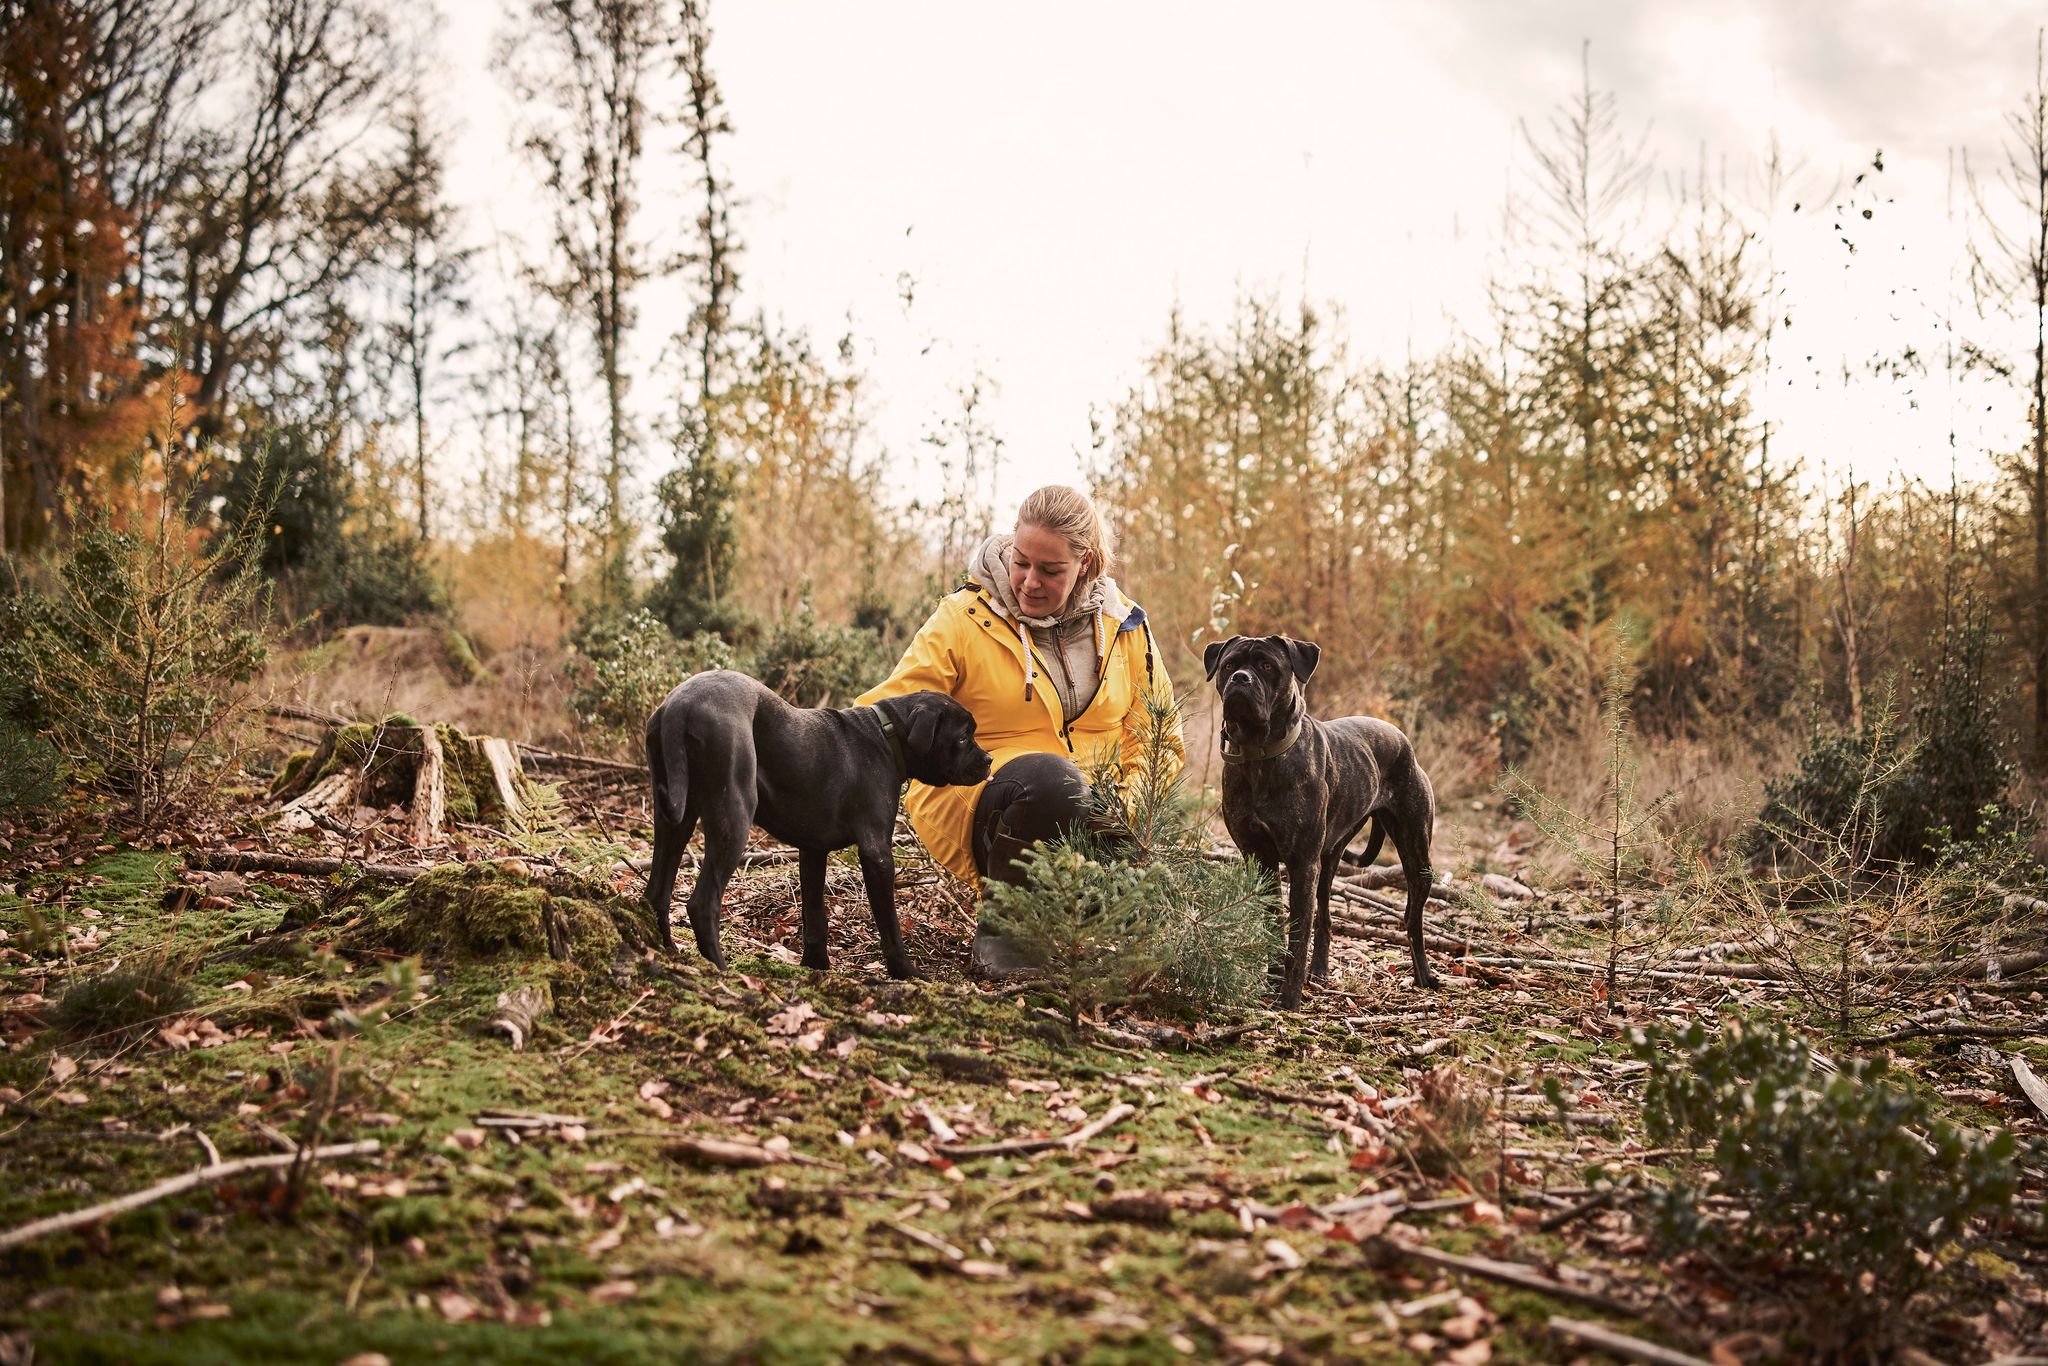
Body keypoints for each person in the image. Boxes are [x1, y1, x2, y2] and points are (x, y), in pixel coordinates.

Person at [856, 484, 1183, 977]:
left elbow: (1160, 739)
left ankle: (1073, 915)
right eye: (1020, 561)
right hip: (986, 795)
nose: (1030, 581)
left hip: (1096, 812)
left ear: (1086, 564)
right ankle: (1003, 937)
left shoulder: (1125, 626)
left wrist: (1127, 811)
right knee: (1052, 781)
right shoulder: (964, 618)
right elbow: (891, 709)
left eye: (1050, 570)